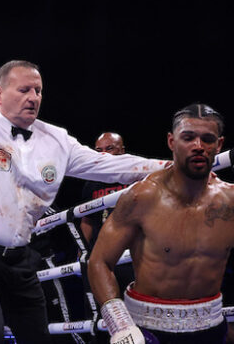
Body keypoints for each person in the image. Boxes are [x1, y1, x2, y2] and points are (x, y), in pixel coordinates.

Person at [0, 0, 169, 343]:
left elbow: (111, 165)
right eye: (24, 89)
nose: (34, 97)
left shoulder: (57, 140)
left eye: (39, 91)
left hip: (20, 258)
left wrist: (173, 166)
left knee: (37, 338)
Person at [88, 104, 233, 344]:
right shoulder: (142, 197)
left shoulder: (230, 201)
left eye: (207, 139)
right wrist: (121, 325)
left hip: (212, 327)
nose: (198, 146)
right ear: (171, 142)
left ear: (218, 145)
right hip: (148, 330)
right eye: (188, 138)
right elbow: (99, 261)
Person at [80, 132, 129, 249]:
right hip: (102, 250)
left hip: (134, 248)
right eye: (99, 151)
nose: (103, 154)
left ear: (122, 151)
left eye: (109, 149)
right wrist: (82, 251)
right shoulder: (91, 182)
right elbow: (87, 220)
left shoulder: (136, 177)